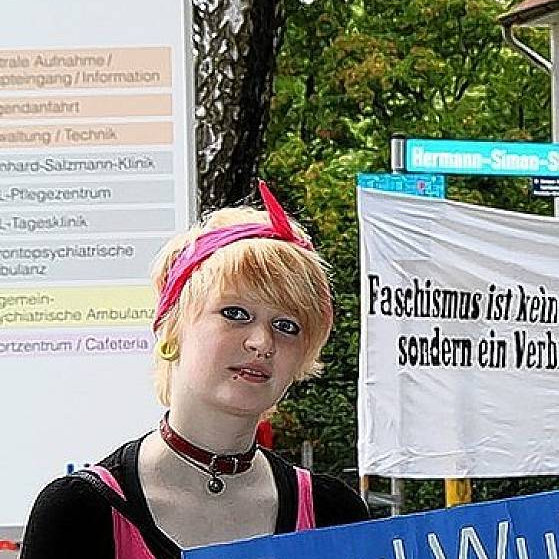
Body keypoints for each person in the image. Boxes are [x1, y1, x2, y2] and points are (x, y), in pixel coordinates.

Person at [21, 182, 369, 559]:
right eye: (235, 314)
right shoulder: (80, 513)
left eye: (287, 326)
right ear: (172, 329)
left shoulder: (335, 515)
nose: (261, 343)